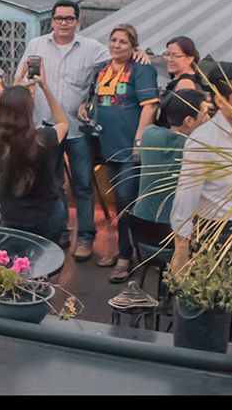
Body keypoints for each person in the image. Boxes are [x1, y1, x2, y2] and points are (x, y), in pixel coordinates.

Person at [15, 1, 109, 259]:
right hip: (45, 127)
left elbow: (118, 62)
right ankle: (59, 232)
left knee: (82, 184)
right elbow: (20, 78)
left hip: (77, 130)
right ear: (52, 21)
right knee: (52, 184)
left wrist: (139, 54)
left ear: (77, 21)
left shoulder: (91, 49)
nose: (64, 23)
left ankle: (86, 238)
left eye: (69, 18)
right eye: (59, 18)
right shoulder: (37, 45)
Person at [78, 23, 160, 280]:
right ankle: (121, 248)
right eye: (113, 40)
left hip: (128, 148)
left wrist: (139, 141)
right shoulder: (102, 69)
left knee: (126, 201)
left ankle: (125, 257)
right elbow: (94, 97)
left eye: (123, 42)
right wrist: (84, 106)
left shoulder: (142, 69)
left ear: (133, 46)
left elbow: (150, 106)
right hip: (104, 145)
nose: (116, 45)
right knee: (114, 202)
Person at [169, 60, 232, 274]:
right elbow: (186, 197)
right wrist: (182, 251)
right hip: (215, 235)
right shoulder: (203, 140)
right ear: (221, 100)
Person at [0, 72, 69, 244]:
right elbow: (63, 122)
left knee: (17, 265)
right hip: (46, 217)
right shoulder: (43, 139)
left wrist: (13, 90)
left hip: (12, 216)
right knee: (46, 264)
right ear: (29, 110)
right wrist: (44, 87)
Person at [133, 87, 209, 225]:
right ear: (189, 121)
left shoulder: (149, 134)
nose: (208, 119)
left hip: (140, 225)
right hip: (175, 233)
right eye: (205, 114)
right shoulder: (197, 149)